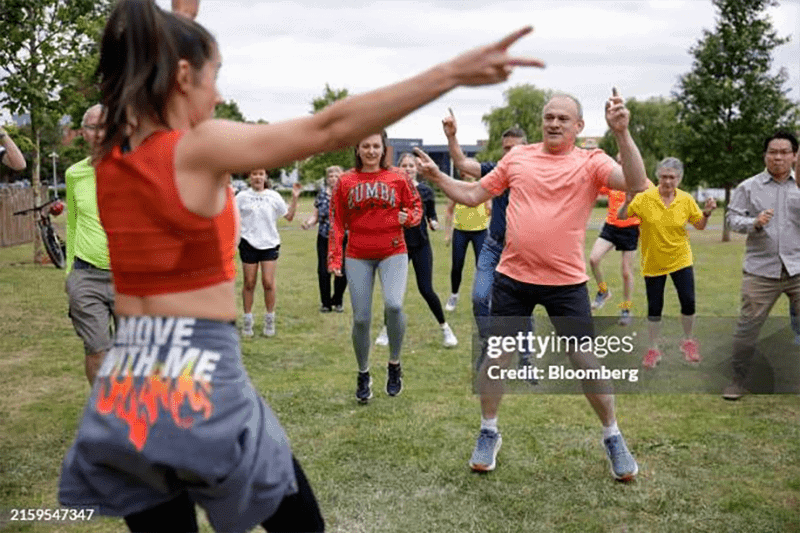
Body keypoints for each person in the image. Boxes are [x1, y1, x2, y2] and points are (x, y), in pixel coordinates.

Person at [58, 1, 543, 530]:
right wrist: (449, 73)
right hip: (196, 373)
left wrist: (180, 19)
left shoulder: (109, 154)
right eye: (213, 77)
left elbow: (153, 56)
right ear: (179, 76)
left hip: (129, 383)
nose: (218, 95)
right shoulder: (197, 150)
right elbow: (329, 127)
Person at [416, 91, 648, 481]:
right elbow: (474, 194)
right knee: (496, 358)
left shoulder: (591, 161)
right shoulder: (518, 157)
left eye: (563, 118)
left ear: (579, 126)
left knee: (586, 363)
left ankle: (613, 436)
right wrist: (438, 176)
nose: (554, 123)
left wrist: (622, 133)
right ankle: (488, 431)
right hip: (514, 278)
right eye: (549, 117)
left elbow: (637, 182)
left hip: (566, 283)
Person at [329, 132, 423, 402]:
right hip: (358, 253)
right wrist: (334, 257)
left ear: (384, 149)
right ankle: (363, 373)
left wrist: (410, 218)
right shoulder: (346, 181)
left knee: (394, 305)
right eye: (365, 146)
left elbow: (415, 207)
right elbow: (337, 221)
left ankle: (394, 363)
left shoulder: (398, 177)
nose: (371, 151)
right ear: (357, 149)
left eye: (375, 146)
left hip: (393, 250)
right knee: (361, 318)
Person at [723, 131, 800, 400]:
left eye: (784, 152)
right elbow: (732, 219)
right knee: (747, 328)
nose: (778, 157)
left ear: (794, 156)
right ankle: (738, 380)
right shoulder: (749, 187)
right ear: (765, 155)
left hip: (798, 268)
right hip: (761, 271)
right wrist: (754, 223)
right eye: (772, 152)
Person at [618, 157, 716, 368]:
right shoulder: (644, 198)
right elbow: (623, 216)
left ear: (679, 179)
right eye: (663, 176)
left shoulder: (686, 199)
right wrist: (626, 202)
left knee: (688, 302)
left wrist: (706, 214)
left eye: (672, 177)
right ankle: (653, 348)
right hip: (653, 262)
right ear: (657, 177)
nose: (667, 181)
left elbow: (699, 225)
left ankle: (688, 342)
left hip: (681, 259)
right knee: (655, 308)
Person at [442, 110, 526, 343]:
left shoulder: (535, 173)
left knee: (521, 306)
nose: (509, 153)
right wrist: (451, 136)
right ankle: (488, 341)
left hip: (522, 249)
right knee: (480, 297)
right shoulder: (497, 170)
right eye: (505, 148)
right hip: (494, 244)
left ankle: (526, 358)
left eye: (514, 148)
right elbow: (462, 163)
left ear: (526, 149)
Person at [374, 152, 458, 348]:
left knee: (426, 289)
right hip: (399, 247)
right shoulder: (392, 190)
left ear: (417, 169)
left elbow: (431, 215)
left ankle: (446, 329)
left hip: (421, 246)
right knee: (394, 294)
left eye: (411, 165)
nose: (408, 169)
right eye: (404, 165)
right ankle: (386, 330)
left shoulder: (426, 192)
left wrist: (434, 222)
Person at [64, 104, 115, 385]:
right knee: (96, 350)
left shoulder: (133, 169)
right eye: (93, 127)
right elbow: (73, 224)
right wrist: (70, 271)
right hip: (86, 275)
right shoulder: (74, 174)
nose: (99, 133)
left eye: (106, 126)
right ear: (83, 132)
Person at [236, 168, 301, 337]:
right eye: (254, 174)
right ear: (249, 177)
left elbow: (289, 217)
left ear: (266, 177)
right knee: (249, 282)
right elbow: (231, 217)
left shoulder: (273, 196)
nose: (257, 177)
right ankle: (248, 319)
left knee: (268, 282)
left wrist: (294, 198)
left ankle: (269, 319)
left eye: (261, 174)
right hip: (248, 243)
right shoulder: (242, 197)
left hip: (269, 244)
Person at [589, 157, 653, 326]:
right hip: (611, 227)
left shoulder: (643, 182)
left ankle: (626, 309)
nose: (621, 164)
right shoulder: (613, 180)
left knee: (626, 272)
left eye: (624, 161)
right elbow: (595, 187)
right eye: (619, 161)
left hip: (630, 229)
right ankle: (603, 292)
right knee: (593, 259)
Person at [302, 165, 348, 313]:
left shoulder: (348, 194)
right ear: (327, 179)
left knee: (342, 271)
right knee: (323, 271)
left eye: (336, 175)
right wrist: (308, 223)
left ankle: (338, 300)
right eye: (330, 176)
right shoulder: (321, 195)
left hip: (342, 238)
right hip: (324, 237)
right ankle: (326, 303)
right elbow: (315, 216)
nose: (333, 178)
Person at [443, 180, 490, 312]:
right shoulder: (457, 188)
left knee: (482, 267)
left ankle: (484, 298)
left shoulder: (483, 187)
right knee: (457, 266)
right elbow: (449, 211)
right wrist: (448, 234)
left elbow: (489, 208)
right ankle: (454, 295)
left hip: (480, 232)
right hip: (460, 232)